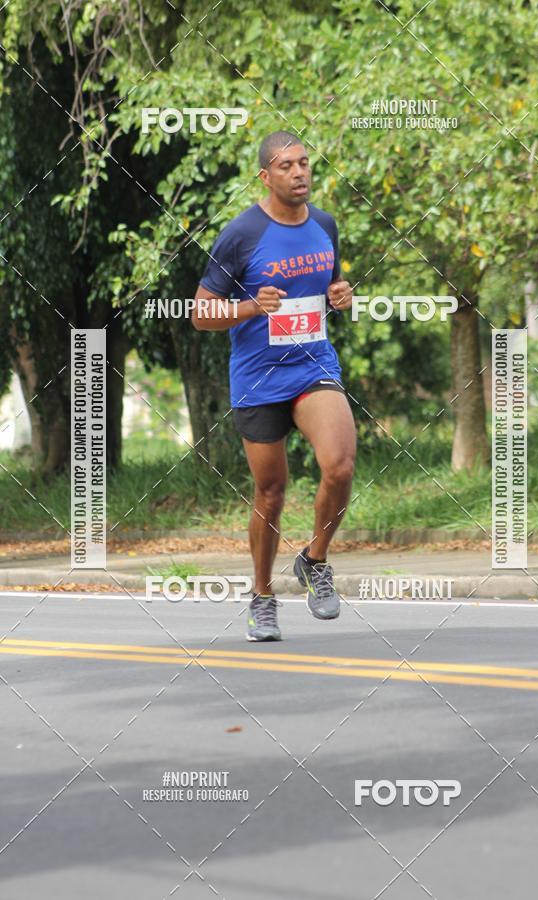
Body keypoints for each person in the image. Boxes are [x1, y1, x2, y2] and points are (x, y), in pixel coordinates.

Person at [192, 130, 355, 641]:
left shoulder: (325, 225)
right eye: (286, 166)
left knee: (340, 464)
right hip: (259, 377)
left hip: (313, 366)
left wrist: (340, 295)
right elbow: (201, 314)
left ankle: (315, 561)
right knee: (271, 491)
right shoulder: (241, 235)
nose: (299, 173)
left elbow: (324, 293)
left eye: (305, 163)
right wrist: (248, 307)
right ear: (265, 176)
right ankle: (262, 596)